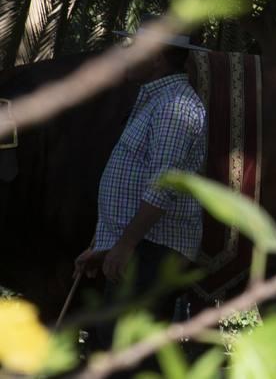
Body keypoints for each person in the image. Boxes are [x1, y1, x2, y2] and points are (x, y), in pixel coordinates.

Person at [74, 24, 207, 347]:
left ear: (157, 57)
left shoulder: (175, 107)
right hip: (139, 246)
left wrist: (125, 245)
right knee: (110, 341)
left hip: (153, 249)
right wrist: (107, 246)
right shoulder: (156, 100)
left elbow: (163, 186)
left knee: (122, 346)